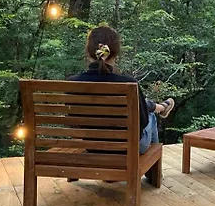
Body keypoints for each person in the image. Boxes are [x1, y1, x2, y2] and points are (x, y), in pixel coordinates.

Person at [67, 25, 174, 155]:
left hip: (92, 146)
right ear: (115, 53)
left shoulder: (72, 83)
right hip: (127, 149)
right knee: (150, 115)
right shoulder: (128, 83)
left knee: (144, 107)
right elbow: (142, 122)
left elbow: (73, 120)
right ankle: (154, 164)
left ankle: (160, 107)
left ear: (89, 52)